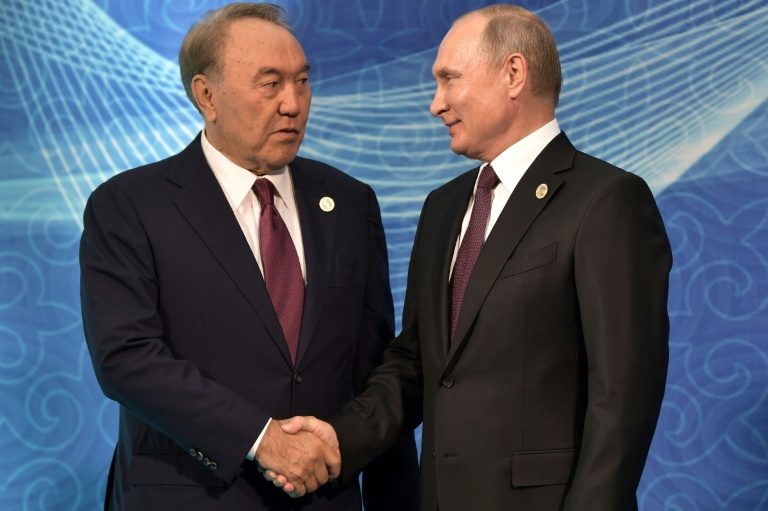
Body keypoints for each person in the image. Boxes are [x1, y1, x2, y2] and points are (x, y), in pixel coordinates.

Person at [269, 4, 672, 510]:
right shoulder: (443, 207)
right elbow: (417, 364)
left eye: (449, 79)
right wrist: (339, 439)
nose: (435, 104)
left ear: (514, 73)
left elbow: (624, 395)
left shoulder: (606, 200)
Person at [79, 3, 419, 510]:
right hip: (192, 497)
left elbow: (373, 364)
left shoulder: (349, 202)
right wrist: (261, 439)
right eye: (271, 83)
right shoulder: (130, 205)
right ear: (207, 95)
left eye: (302, 82)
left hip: (326, 498)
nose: (293, 104)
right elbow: (126, 357)